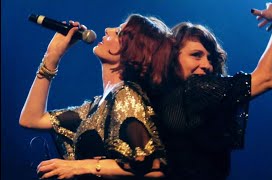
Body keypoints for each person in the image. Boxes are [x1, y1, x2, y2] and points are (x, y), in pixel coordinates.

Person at [19, 14, 173, 179]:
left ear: (135, 51)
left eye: (119, 32)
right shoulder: (95, 107)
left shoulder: (126, 95)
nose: (108, 30)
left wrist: (83, 166)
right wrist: (52, 56)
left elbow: (154, 168)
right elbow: (31, 119)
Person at [147, 2, 272, 180]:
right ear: (173, 57)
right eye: (196, 55)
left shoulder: (162, 95)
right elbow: (266, 78)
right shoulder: (193, 91)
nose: (207, 65)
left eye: (210, 58)